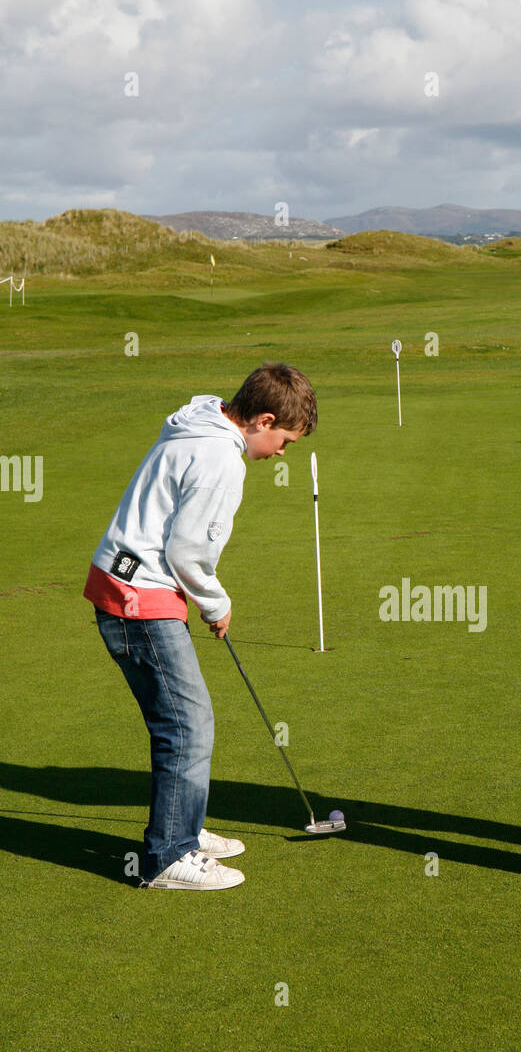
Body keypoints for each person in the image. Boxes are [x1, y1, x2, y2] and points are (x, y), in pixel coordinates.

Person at [83, 363, 317, 891]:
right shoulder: (220, 460)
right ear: (262, 419)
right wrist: (216, 603)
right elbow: (189, 553)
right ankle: (169, 855)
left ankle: (182, 827)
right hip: (137, 597)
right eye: (284, 440)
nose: (281, 453)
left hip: (123, 583)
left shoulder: (202, 419)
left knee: (184, 719)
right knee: (187, 723)